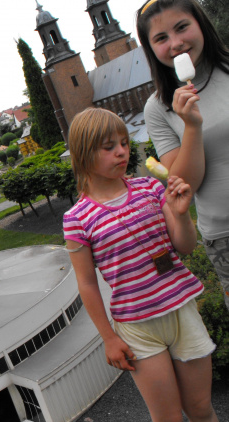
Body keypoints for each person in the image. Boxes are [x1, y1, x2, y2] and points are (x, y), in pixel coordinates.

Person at [63, 107, 227, 422]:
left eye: (123, 143)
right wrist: (109, 337)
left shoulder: (151, 188)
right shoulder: (77, 219)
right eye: (108, 147)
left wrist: (181, 213)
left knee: (201, 408)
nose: (122, 152)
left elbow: (184, 247)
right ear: (83, 154)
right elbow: (87, 284)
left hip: (181, 312)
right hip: (138, 328)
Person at [137, 0, 229, 311]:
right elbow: (185, 184)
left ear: (200, 23)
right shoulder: (158, 108)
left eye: (181, 27)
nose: (176, 43)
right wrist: (191, 125)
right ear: (151, 49)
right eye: (161, 38)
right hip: (224, 235)